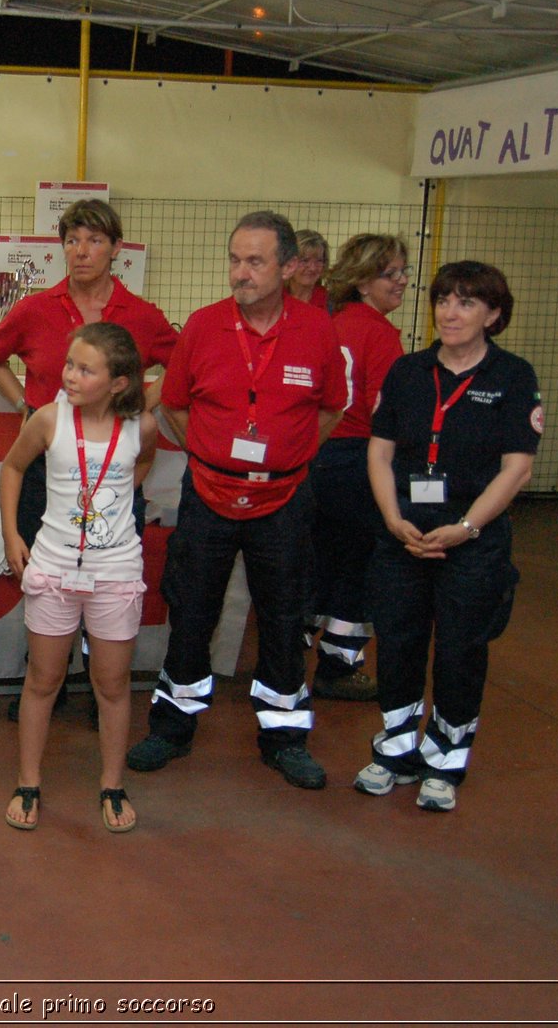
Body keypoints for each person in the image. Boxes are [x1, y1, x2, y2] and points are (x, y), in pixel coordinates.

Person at [126, 211, 347, 789]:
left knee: (283, 618)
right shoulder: (202, 326)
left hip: (285, 497)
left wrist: (288, 456)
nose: (240, 273)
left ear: (288, 266)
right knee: (191, 612)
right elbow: (172, 404)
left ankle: (284, 736)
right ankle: (172, 727)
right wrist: (210, 452)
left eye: (255, 261)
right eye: (234, 259)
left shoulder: (318, 329)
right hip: (209, 491)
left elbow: (331, 408)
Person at [0, 197, 178, 721]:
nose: (81, 251)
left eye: (93, 240)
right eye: (71, 240)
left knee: (107, 576)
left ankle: (101, 687)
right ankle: (46, 683)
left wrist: (138, 409)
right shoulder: (37, 307)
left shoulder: (141, 315)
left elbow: (181, 368)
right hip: (51, 466)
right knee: (44, 574)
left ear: (116, 249)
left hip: (113, 472)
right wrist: (25, 401)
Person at [356, 261, 540, 812]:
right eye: (442, 300)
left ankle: (445, 760)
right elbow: (380, 452)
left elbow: (517, 469)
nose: (450, 312)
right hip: (404, 533)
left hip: (472, 540)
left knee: (461, 649)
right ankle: (395, 749)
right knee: (398, 642)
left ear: (493, 314)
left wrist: (465, 529)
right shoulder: (408, 372)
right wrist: (392, 518)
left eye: (465, 302)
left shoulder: (512, 377)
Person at [0, 323, 158, 833]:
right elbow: (12, 467)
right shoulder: (48, 420)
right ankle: (28, 781)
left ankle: (111, 784)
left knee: (111, 685)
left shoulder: (141, 427)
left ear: (117, 383)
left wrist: (114, 503)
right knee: (42, 680)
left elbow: (143, 463)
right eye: (70, 363)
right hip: (53, 568)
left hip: (116, 572)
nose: (69, 374)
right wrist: (11, 536)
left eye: (85, 369)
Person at [302, 234, 409, 702]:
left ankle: (289, 653)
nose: (403, 281)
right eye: (392, 274)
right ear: (364, 282)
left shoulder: (330, 322)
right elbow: (390, 412)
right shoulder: (379, 333)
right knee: (360, 566)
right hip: (360, 461)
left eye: (404, 272)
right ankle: (340, 664)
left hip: (317, 458)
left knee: (318, 561)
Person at [287, 229, 329, 311]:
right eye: (304, 260)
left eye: (319, 261)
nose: (312, 268)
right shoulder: (273, 300)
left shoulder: (331, 303)